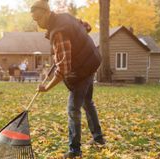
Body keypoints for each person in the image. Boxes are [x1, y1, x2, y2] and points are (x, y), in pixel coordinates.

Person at [31, 0, 105, 158]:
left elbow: (64, 69)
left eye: (38, 19)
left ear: (47, 13)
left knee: (73, 109)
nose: (38, 23)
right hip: (92, 61)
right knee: (87, 102)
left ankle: (75, 150)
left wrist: (47, 87)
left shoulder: (58, 32)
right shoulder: (65, 17)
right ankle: (98, 139)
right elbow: (87, 26)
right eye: (34, 20)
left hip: (83, 69)